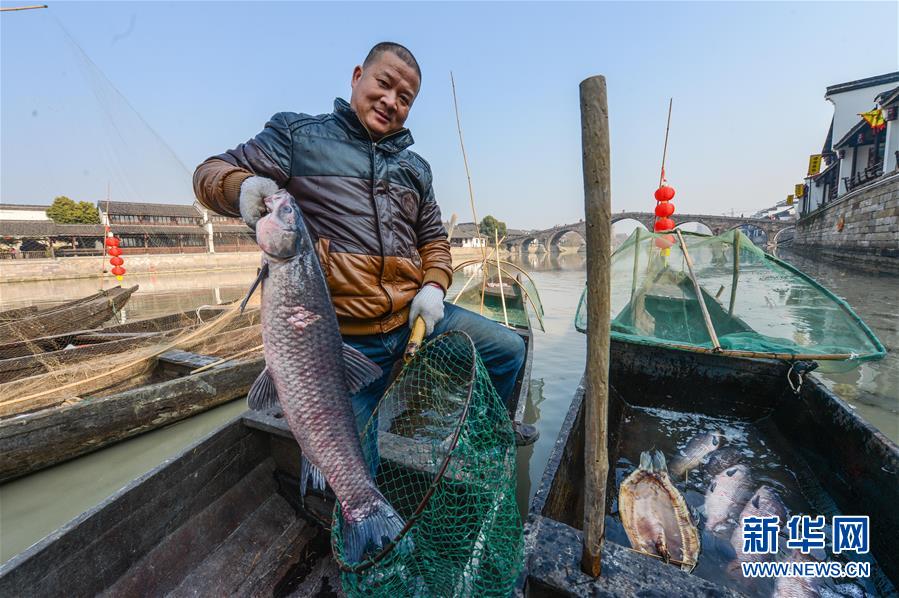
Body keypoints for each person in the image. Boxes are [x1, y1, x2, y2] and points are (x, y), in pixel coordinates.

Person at [193, 42, 537, 446]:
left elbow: (434, 241)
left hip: (412, 320)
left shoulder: (416, 169)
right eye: (384, 84)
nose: (391, 102)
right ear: (358, 77)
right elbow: (209, 172)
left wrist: (434, 287)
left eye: (405, 98)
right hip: (343, 340)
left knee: (509, 350)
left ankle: (487, 431)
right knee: (351, 462)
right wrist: (241, 186)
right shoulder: (297, 136)